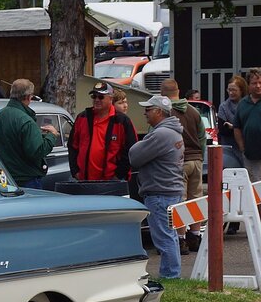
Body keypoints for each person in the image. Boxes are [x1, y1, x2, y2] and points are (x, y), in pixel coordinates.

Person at [129, 94, 185, 279]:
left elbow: (134, 157)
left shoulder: (161, 134)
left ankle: (170, 275)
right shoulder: (173, 132)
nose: (145, 113)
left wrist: (138, 144)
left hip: (160, 192)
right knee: (170, 235)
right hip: (170, 189)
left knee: (163, 236)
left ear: (159, 112)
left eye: (148, 109)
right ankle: (172, 273)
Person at [0, 78, 58, 189]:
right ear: (29, 97)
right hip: (26, 179)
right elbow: (37, 151)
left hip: (3, 179)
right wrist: (52, 136)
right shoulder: (26, 122)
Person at [67, 81, 136, 182]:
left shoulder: (122, 121)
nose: (97, 100)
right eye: (94, 96)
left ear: (111, 98)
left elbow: (131, 150)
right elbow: (72, 146)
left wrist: (118, 176)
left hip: (112, 181)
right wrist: (75, 171)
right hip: (84, 180)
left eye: (101, 97)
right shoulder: (82, 118)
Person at [166, 79, 205, 251]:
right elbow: (202, 137)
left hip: (178, 162)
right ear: (179, 90)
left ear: (163, 93)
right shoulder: (194, 111)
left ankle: (180, 240)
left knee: (179, 201)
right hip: (196, 160)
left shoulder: (166, 112)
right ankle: (195, 237)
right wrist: (200, 156)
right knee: (195, 199)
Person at [233, 67, 261, 183]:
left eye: (260, 83)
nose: (258, 86)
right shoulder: (242, 104)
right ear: (248, 85)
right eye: (254, 83)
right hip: (250, 154)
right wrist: (242, 147)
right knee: (254, 186)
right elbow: (237, 127)